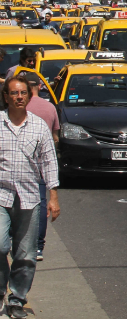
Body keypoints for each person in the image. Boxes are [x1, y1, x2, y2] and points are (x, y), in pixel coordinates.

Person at [0, 74, 59, 318]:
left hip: (30, 197)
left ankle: (16, 298)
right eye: (14, 93)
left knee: (25, 254)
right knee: (0, 245)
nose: (19, 97)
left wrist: (53, 197)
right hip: (1, 196)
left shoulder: (38, 126)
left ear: (29, 96)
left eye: (23, 93)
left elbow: (49, 162)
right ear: (6, 97)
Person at [23, 74, 57, 263]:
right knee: (41, 204)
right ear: (39, 86)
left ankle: (17, 240)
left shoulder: (19, 108)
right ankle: (38, 246)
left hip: (22, 165)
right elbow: (55, 137)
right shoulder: (49, 107)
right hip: (42, 164)